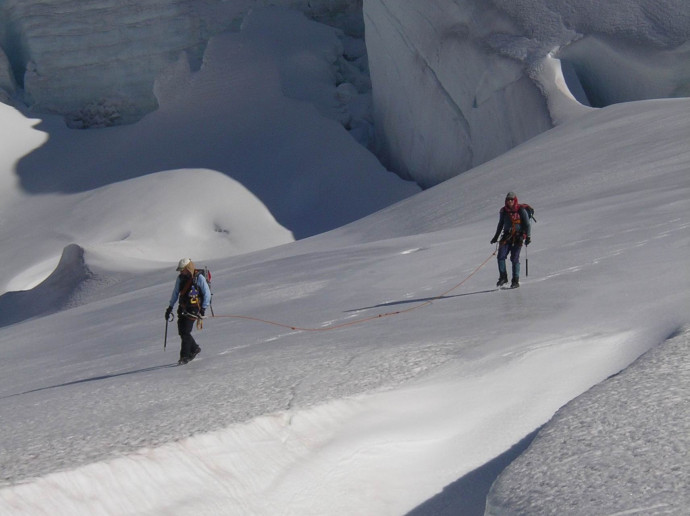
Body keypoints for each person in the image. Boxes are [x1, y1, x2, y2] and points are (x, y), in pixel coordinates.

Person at [165, 258, 211, 364]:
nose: (181, 272)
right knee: (182, 331)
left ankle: (184, 356)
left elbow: (207, 293)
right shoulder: (180, 278)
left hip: (194, 308)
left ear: (188, 268)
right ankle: (194, 348)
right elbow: (175, 293)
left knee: (185, 331)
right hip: (183, 307)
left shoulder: (199, 278)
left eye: (182, 269)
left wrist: (203, 308)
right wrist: (170, 307)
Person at [490, 192, 532, 288]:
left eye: (511, 199)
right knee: (500, 256)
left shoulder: (521, 210)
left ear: (515, 200)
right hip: (506, 237)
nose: (510, 201)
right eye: (508, 199)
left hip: (518, 237)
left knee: (514, 258)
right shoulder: (503, 211)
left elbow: (527, 224)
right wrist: (496, 237)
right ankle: (503, 277)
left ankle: (515, 281)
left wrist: (528, 237)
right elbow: (500, 224)